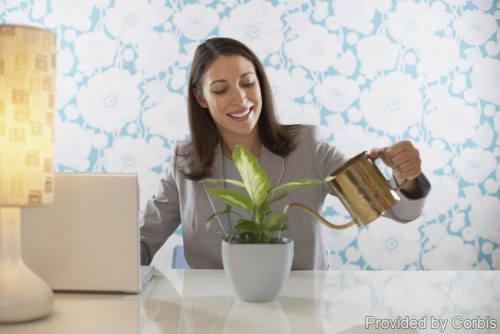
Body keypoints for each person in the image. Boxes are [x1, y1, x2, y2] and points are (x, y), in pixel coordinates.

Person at [140, 37, 431, 270]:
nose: (240, 99)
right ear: (201, 98)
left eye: (247, 82)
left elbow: (399, 212)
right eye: (220, 90)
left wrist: (405, 177)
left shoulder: (308, 146)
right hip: (213, 313)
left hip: (299, 310)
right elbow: (144, 239)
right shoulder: (185, 160)